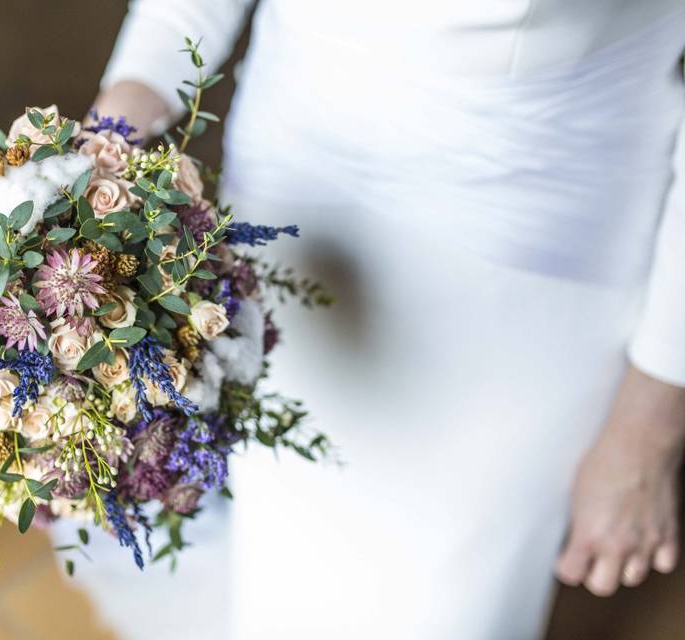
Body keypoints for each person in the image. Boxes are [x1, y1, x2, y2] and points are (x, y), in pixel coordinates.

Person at [70, 1, 685, 637]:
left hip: (524, 273)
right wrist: (98, 154)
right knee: (287, 577)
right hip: (290, 214)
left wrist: (651, 428)